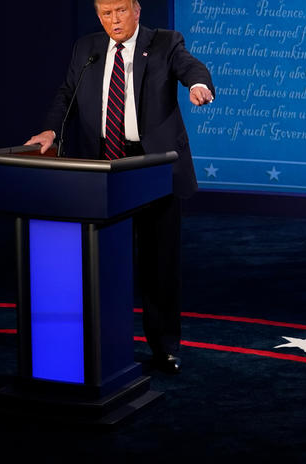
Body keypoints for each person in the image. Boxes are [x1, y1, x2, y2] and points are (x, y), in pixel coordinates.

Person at [25, 0, 215, 374]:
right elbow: (67, 94)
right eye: (106, 13)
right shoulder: (86, 49)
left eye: (121, 11)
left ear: (137, 10)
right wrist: (50, 129)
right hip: (100, 171)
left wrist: (198, 83)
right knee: (101, 262)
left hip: (152, 168)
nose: (114, 20)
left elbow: (189, 67)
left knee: (159, 263)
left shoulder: (164, 41)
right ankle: (102, 342)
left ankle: (164, 347)